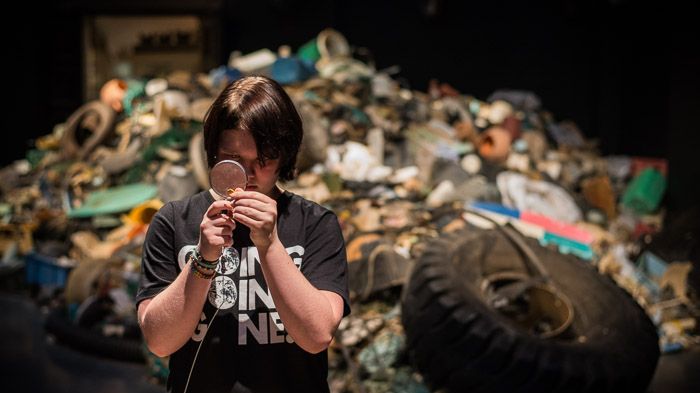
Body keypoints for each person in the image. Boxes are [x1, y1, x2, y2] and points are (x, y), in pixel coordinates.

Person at [135, 76, 350, 393]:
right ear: (213, 152)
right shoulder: (173, 221)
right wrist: (204, 257)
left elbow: (317, 336)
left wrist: (271, 245)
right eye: (233, 160)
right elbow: (159, 341)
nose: (248, 176)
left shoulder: (315, 224)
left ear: (284, 157)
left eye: (263, 161)